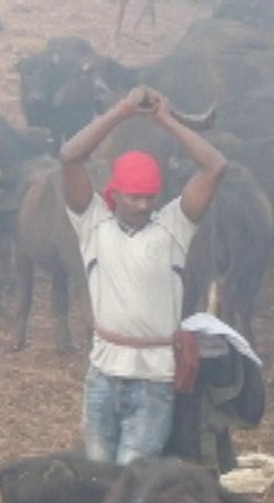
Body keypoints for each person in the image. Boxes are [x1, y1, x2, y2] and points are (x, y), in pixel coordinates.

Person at [60, 85, 226, 465]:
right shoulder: (93, 223)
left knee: (132, 482)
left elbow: (215, 166)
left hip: (155, 381)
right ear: (115, 193)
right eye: (135, 197)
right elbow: (70, 156)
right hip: (102, 373)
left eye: (151, 197)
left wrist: (165, 120)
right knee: (99, 478)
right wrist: (122, 111)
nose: (144, 204)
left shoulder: (173, 227)